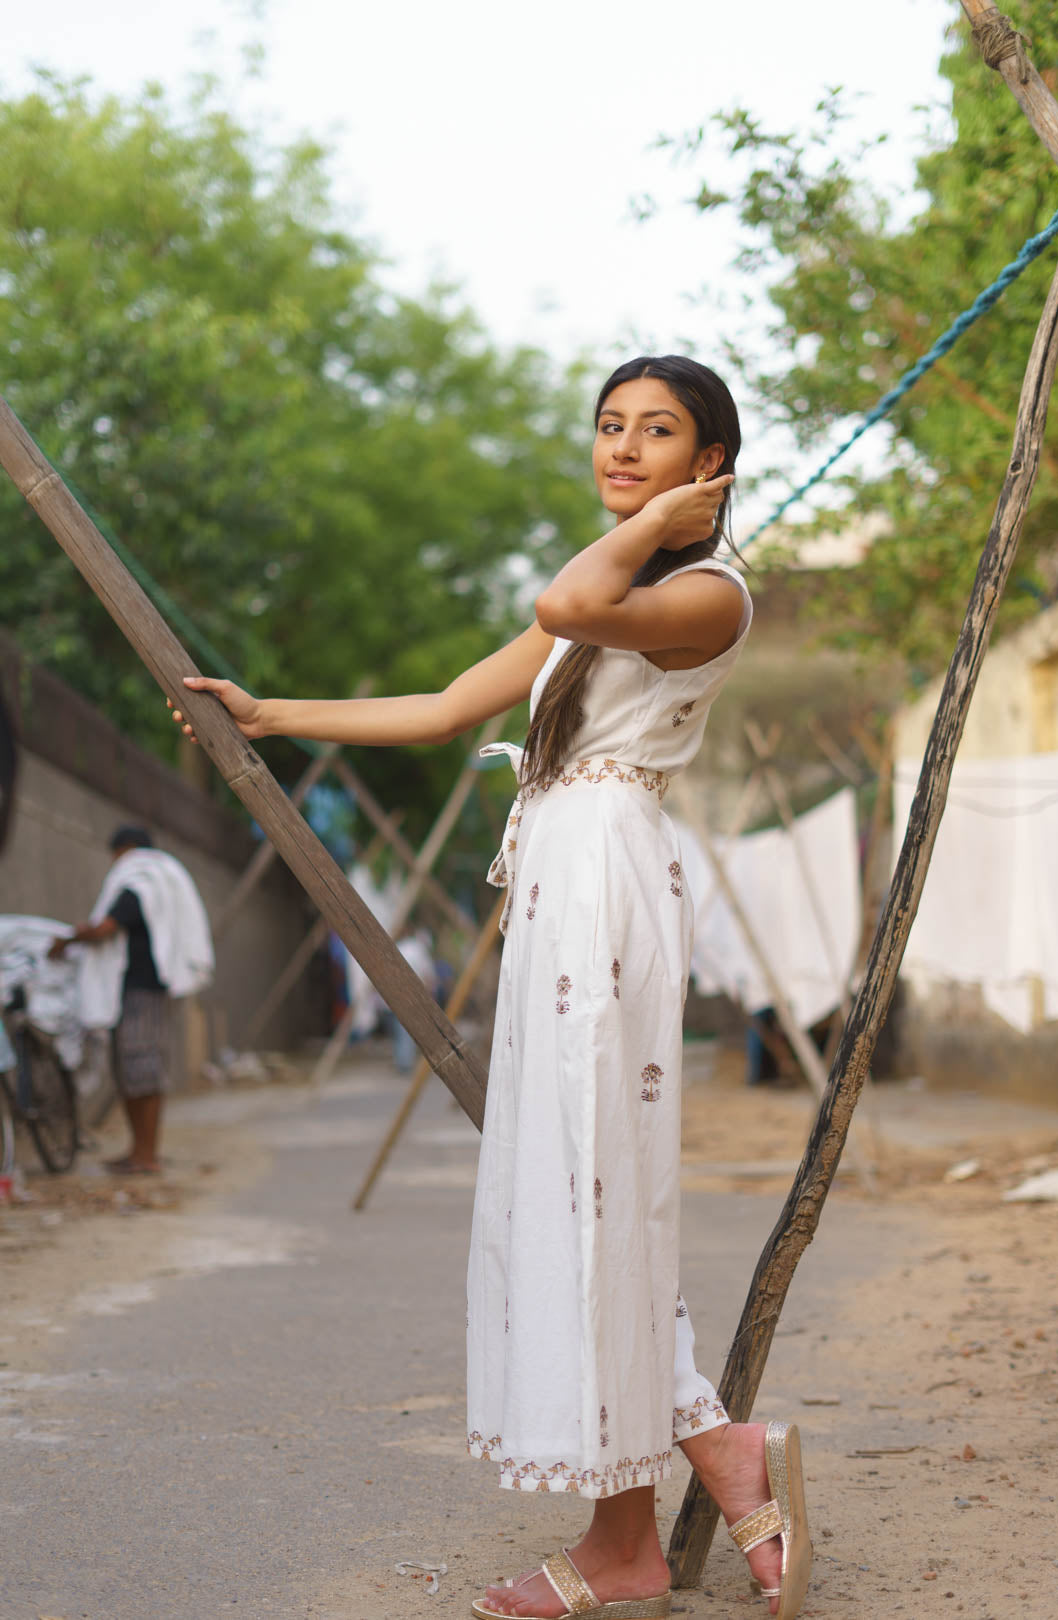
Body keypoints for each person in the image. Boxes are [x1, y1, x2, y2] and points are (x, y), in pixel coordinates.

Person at [171, 356, 812, 1620]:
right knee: (572, 1191)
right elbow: (452, 702)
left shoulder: (706, 594)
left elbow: (564, 594)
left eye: (658, 434)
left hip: (608, 886)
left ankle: (646, 1520)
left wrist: (648, 531)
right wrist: (270, 712)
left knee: (592, 1187)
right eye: (609, 427)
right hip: (563, 886)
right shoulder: (620, 583)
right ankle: (692, 1464)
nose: (623, 448)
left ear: (709, 465)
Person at [49, 827, 214, 1174]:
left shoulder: (139, 882)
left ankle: (147, 1155)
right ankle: (138, 1151)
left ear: (125, 850)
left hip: (143, 990)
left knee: (144, 1068)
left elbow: (106, 928)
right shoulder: (149, 882)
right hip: (135, 990)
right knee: (130, 1071)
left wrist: (72, 937)